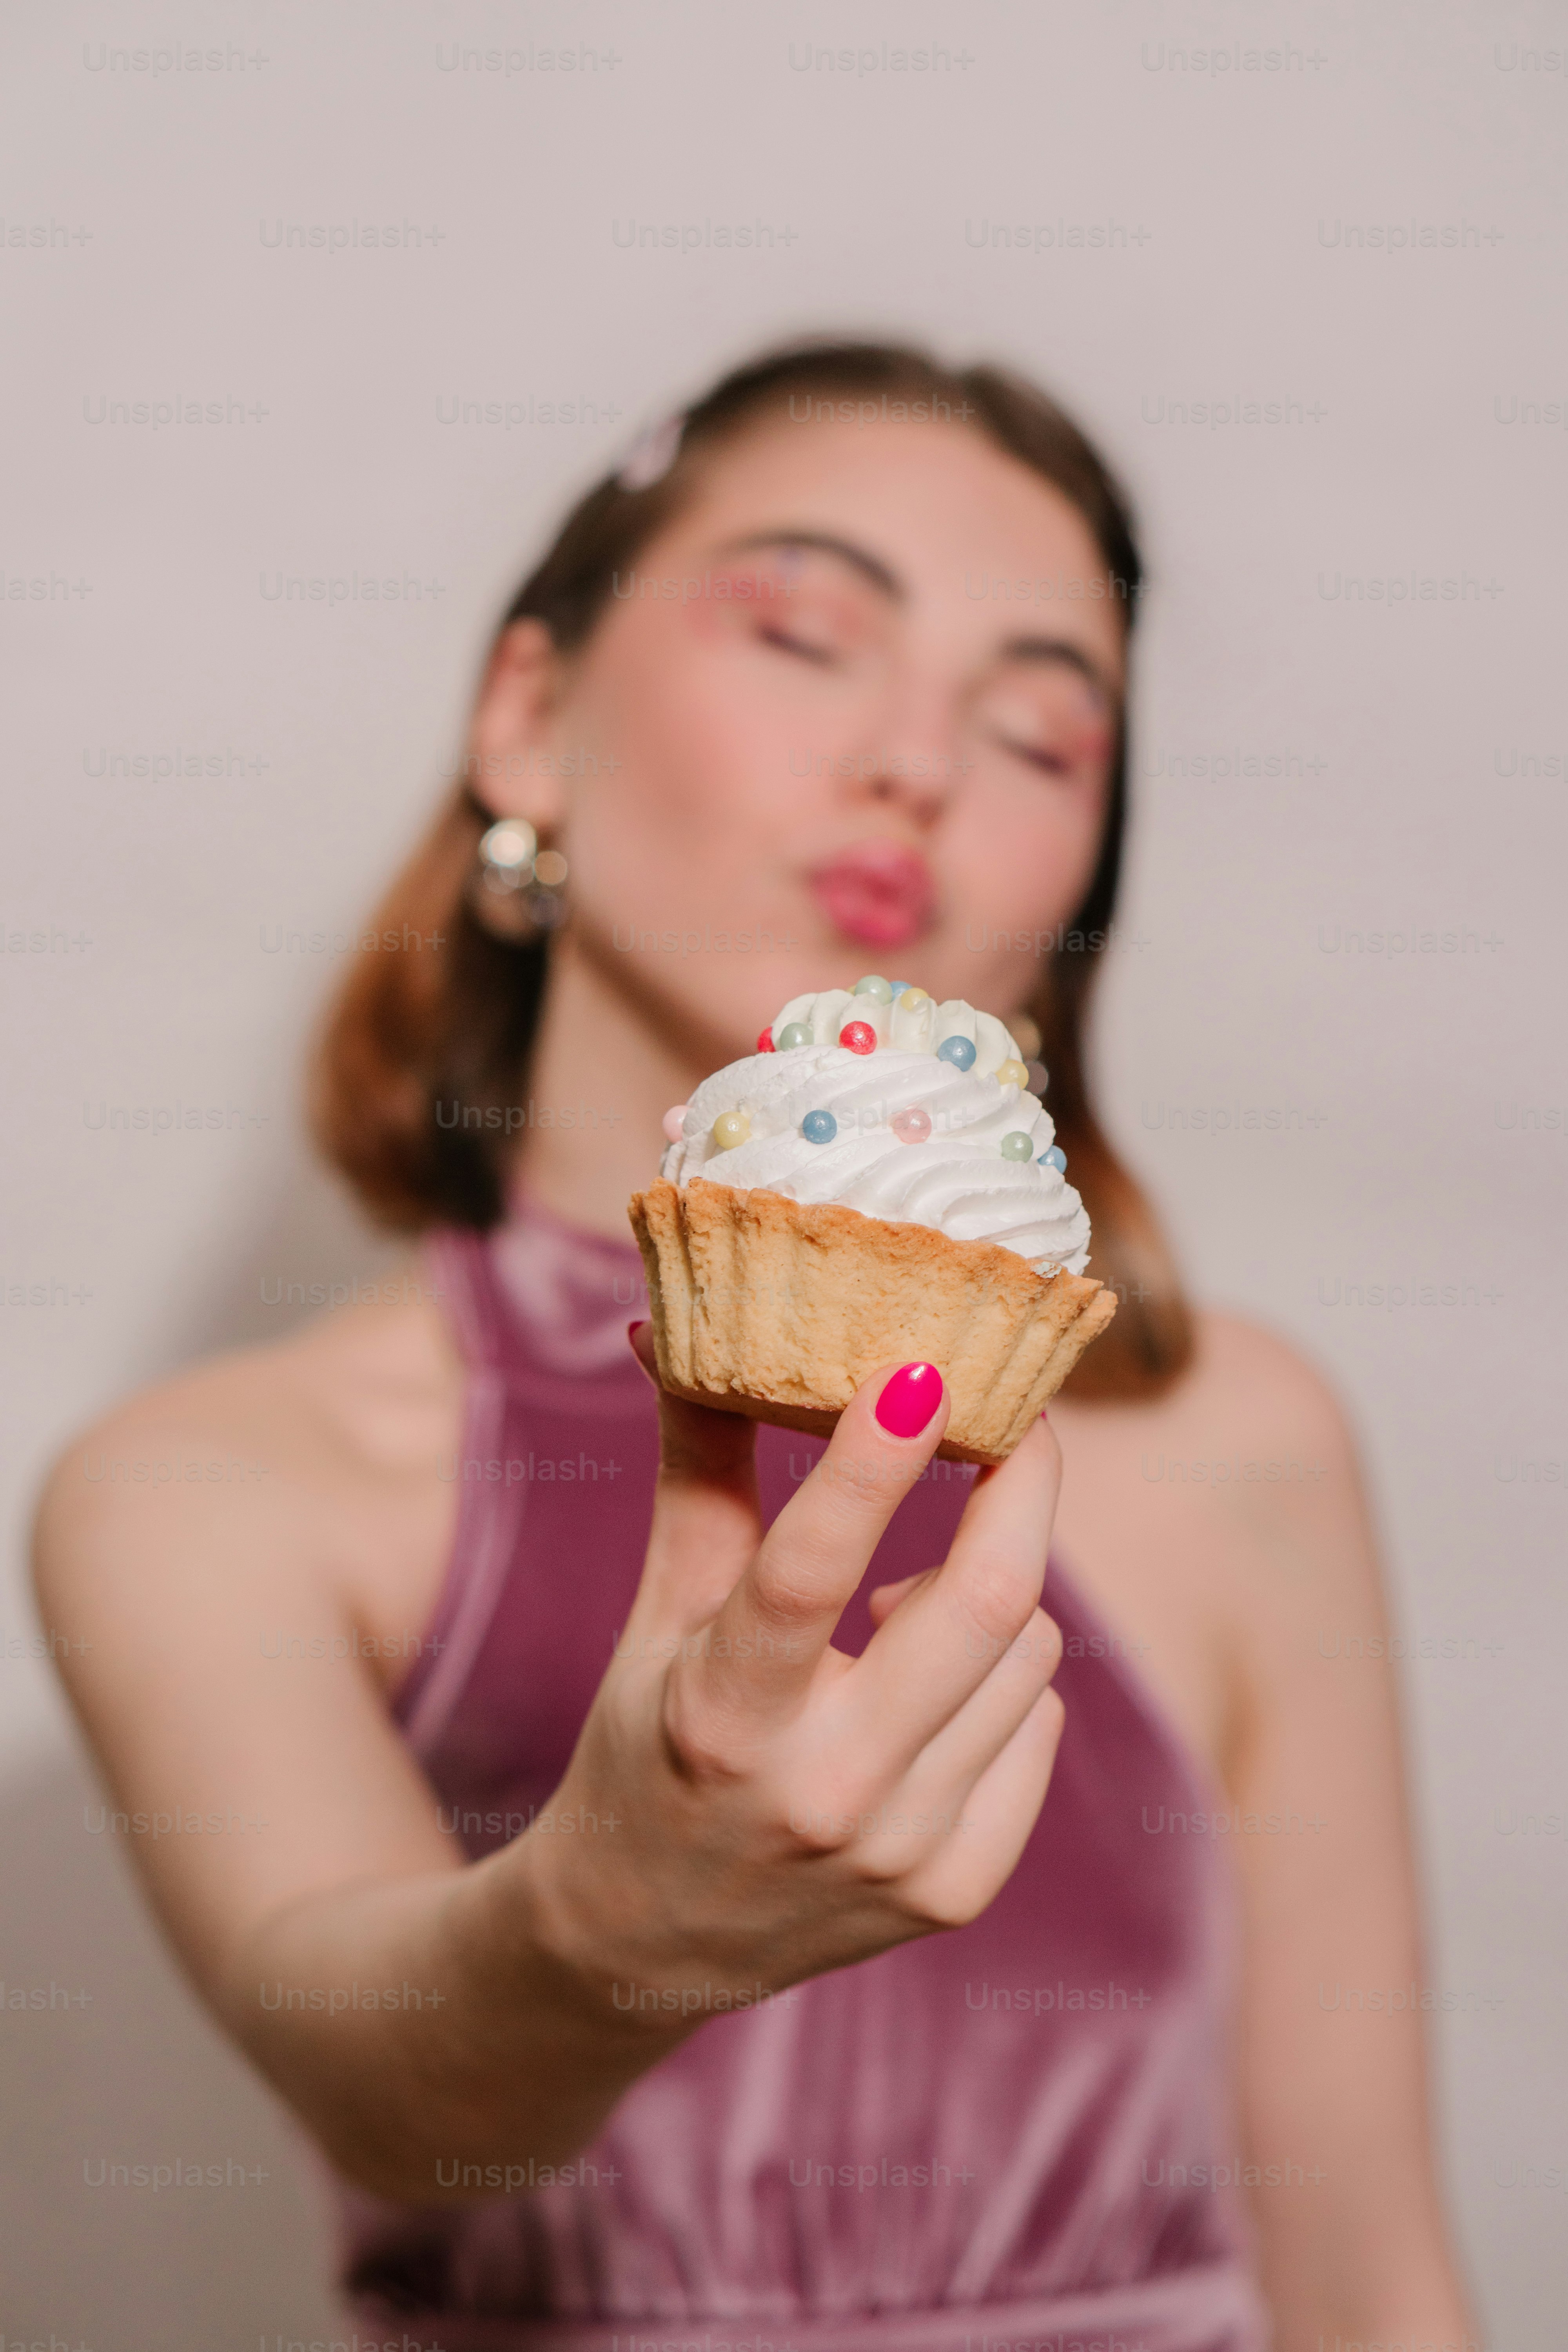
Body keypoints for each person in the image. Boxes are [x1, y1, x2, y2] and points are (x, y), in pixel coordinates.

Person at [34, 341, 1475, 2352]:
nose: (919, 758)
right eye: (804, 632)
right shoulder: (206, 1490)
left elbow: (1377, 2284)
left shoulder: (1239, 1437)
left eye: (1046, 734)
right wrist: (595, 1930)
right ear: (528, 717)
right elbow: (385, 2080)